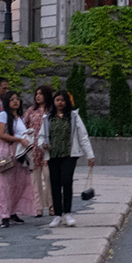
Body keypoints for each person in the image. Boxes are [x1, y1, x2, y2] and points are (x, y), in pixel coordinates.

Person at [37, 87, 94, 227]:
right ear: (53, 102)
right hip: (53, 154)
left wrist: (90, 155)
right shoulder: (48, 118)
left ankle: (68, 213)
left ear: (66, 102)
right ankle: (57, 215)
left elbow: (83, 136)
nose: (60, 103)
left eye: (62, 100)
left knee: (67, 181)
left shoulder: (74, 116)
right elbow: (41, 136)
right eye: (57, 100)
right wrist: (42, 145)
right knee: (55, 184)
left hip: (69, 154)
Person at [0, 92, 34, 226]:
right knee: (4, 183)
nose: (15, 102)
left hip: (19, 152)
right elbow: (1, 134)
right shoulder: (3, 115)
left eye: (17, 99)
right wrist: (19, 139)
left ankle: (13, 211)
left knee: (18, 182)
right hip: (6, 150)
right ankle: (4, 214)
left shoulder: (19, 117)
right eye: (12, 99)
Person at [26, 86, 54, 218]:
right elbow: (24, 126)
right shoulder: (31, 110)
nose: (38, 96)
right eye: (36, 94)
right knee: (35, 180)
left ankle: (51, 205)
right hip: (33, 150)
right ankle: (38, 207)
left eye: (41, 94)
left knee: (48, 178)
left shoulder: (51, 110)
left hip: (47, 149)